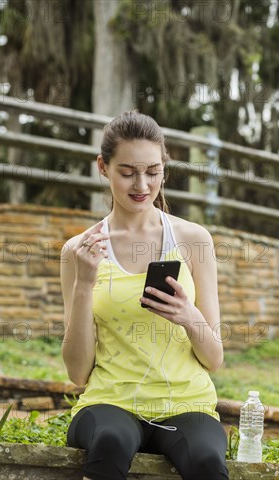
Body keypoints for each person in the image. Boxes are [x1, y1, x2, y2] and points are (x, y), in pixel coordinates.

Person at [60, 110, 228, 480]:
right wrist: (85, 284)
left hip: (186, 404)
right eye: (128, 172)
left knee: (206, 460)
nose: (142, 184)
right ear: (103, 167)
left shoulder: (193, 240)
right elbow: (77, 373)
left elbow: (214, 358)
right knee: (111, 441)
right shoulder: (80, 251)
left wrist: (188, 315)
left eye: (153, 171)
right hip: (111, 403)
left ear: (164, 169)